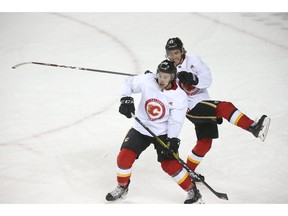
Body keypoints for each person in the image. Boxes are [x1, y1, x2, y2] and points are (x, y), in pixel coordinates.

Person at [164, 37, 271, 175]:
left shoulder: (193, 60)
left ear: (182, 51)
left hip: (203, 101)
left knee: (205, 142)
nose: (173, 57)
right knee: (224, 107)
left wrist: (193, 78)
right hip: (189, 106)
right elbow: (160, 83)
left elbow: (207, 79)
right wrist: (155, 77)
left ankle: (189, 171)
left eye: (176, 53)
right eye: (170, 53)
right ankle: (252, 127)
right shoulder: (167, 67)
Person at [105, 59, 203, 204]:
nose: (161, 80)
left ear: (173, 77)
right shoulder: (148, 80)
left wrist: (173, 140)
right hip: (140, 129)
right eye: (160, 75)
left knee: (169, 164)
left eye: (166, 77)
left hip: (162, 133)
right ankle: (122, 187)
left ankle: (192, 190)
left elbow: (176, 121)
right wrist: (126, 98)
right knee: (123, 158)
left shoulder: (179, 96)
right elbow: (128, 82)